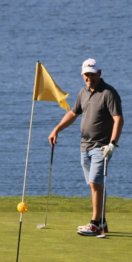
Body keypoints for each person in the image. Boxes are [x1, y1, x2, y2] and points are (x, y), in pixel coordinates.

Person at [48, 58, 124, 236]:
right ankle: (102, 222)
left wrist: (112, 143)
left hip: (102, 146)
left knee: (96, 182)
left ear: (99, 73)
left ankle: (94, 223)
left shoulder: (109, 93)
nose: (88, 77)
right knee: (93, 185)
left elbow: (118, 119)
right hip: (85, 146)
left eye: (91, 74)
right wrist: (56, 129)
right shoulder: (83, 92)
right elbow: (73, 113)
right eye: (85, 74)